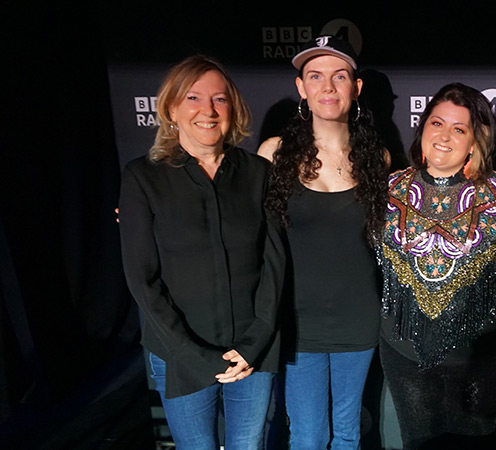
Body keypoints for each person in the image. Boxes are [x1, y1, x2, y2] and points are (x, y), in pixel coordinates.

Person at [119, 55, 284, 449]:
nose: (207, 110)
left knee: (249, 444)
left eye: (220, 99)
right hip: (180, 351)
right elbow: (142, 279)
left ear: (234, 109)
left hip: (251, 350)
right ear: (172, 108)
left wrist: (256, 340)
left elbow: (274, 264)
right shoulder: (143, 178)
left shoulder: (258, 174)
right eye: (193, 98)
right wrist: (188, 353)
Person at [258, 35, 387, 450]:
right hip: (298, 322)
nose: (327, 87)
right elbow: (237, 224)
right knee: (309, 436)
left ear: (356, 87)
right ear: (301, 88)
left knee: (348, 432)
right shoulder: (273, 154)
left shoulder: (378, 158)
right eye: (315, 76)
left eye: (340, 76)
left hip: (359, 318)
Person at [378, 83, 496, 449]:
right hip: (406, 351)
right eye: (436, 123)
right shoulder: (388, 189)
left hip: (481, 356)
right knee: (418, 443)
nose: (444, 136)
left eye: (459, 129)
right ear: (422, 129)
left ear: (475, 141)